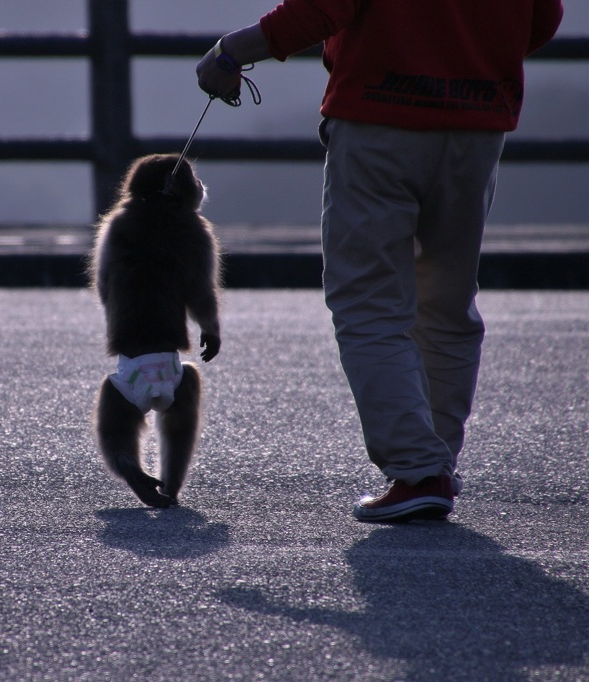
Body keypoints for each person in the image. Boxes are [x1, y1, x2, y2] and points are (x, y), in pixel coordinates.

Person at [196, 0, 564, 522]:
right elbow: (544, 18)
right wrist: (468, 59)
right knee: (447, 302)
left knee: (367, 301)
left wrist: (231, 51)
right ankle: (434, 463)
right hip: (478, 120)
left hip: (378, 116)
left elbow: (321, 8)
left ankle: (417, 470)